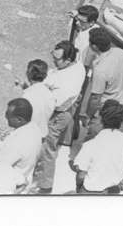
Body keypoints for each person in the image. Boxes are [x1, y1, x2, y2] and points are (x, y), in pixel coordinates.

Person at [32, 40, 86, 194]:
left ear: (68, 60)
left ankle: (45, 185)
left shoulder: (69, 80)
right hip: (64, 110)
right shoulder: (75, 66)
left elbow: (55, 102)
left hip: (58, 114)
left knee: (47, 149)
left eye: (56, 59)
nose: (53, 61)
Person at [80, 27, 123, 143]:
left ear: (94, 46)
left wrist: (87, 115)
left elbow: (95, 98)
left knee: (92, 144)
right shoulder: (121, 52)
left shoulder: (100, 69)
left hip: (107, 115)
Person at [72, 100, 123, 193]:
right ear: (121, 121)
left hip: (91, 193)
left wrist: (78, 187)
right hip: (116, 192)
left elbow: (81, 175)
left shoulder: (91, 144)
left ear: (102, 120)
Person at [0, 98, 42, 185]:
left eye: (8, 115)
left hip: (8, 184)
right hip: (25, 175)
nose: (6, 117)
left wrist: (1, 143)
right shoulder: (35, 129)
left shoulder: (17, 142)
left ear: (19, 120)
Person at [19, 59, 56, 141]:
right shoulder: (50, 94)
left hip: (27, 136)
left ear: (28, 73)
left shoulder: (27, 96)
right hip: (41, 135)